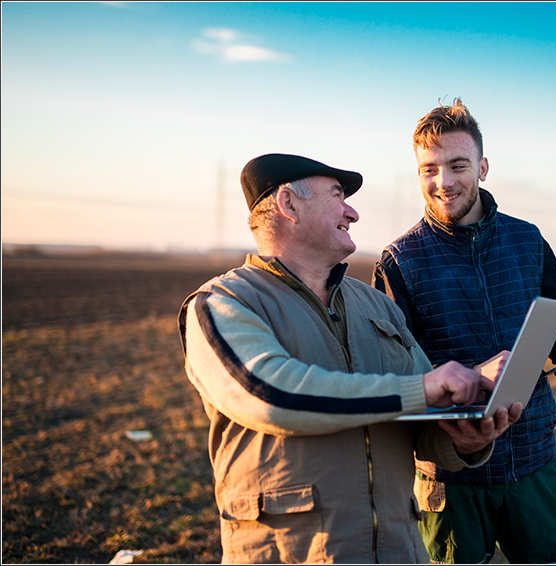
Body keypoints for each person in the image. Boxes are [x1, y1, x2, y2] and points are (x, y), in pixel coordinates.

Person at [178, 153, 523, 564]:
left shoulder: (376, 305)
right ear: (289, 205)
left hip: (398, 551)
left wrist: (464, 439)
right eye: (338, 195)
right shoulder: (224, 303)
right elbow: (270, 394)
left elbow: (422, 415)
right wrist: (423, 387)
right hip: (293, 554)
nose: (353, 212)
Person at [372, 99, 556, 564]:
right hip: (450, 475)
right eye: (429, 169)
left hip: (534, 455)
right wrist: (474, 374)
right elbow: (395, 373)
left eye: (457, 165)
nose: (443, 182)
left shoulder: (528, 239)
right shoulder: (399, 261)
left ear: (482, 167)